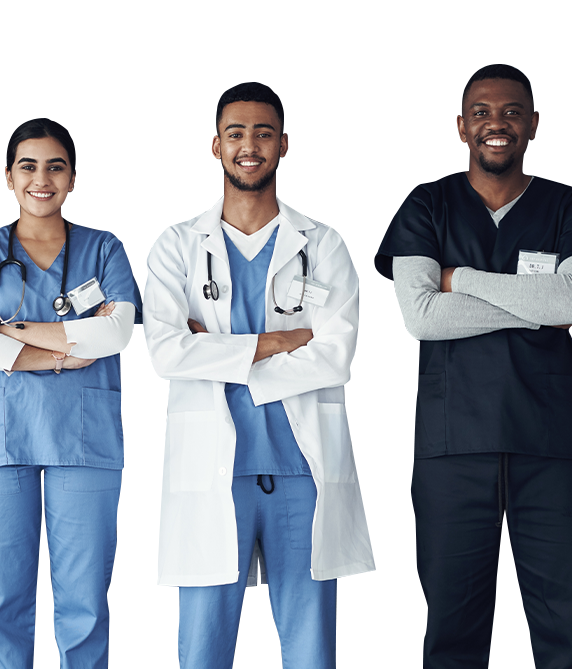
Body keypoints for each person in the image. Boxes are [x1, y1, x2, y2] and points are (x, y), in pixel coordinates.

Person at [374, 64, 572, 669]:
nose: (496, 124)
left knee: (566, 632)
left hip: (553, 448)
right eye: (482, 112)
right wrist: (535, 307)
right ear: (462, 127)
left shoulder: (568, 205)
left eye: (511, 112)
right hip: (454, 448)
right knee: (451, 635)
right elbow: (423, 318)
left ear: (532, 124)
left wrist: (462, 280)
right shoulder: (426, 205)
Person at [143, 81, 375, 669]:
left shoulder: (322, 245)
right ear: (215, 145)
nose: (250, 145)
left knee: (311, 650)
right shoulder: (177, 245)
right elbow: (166, 355)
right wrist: (273, 344)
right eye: (237, 133)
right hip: (213, 473)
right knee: (201, 651)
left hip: (302, 472)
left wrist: (219, 354)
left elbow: (336, 357)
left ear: (284, 144)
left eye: (264, 133)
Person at [0, 117, 140, 668]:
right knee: (3, 601)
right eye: (28, 165)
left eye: (55, 166)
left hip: (85, 444)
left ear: (73, 178)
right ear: (8, 176)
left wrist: (14, 331)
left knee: (85, 604)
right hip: (1, 446)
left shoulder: (105, 249)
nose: (41, 178)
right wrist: (62, 357)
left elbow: (117, 333)